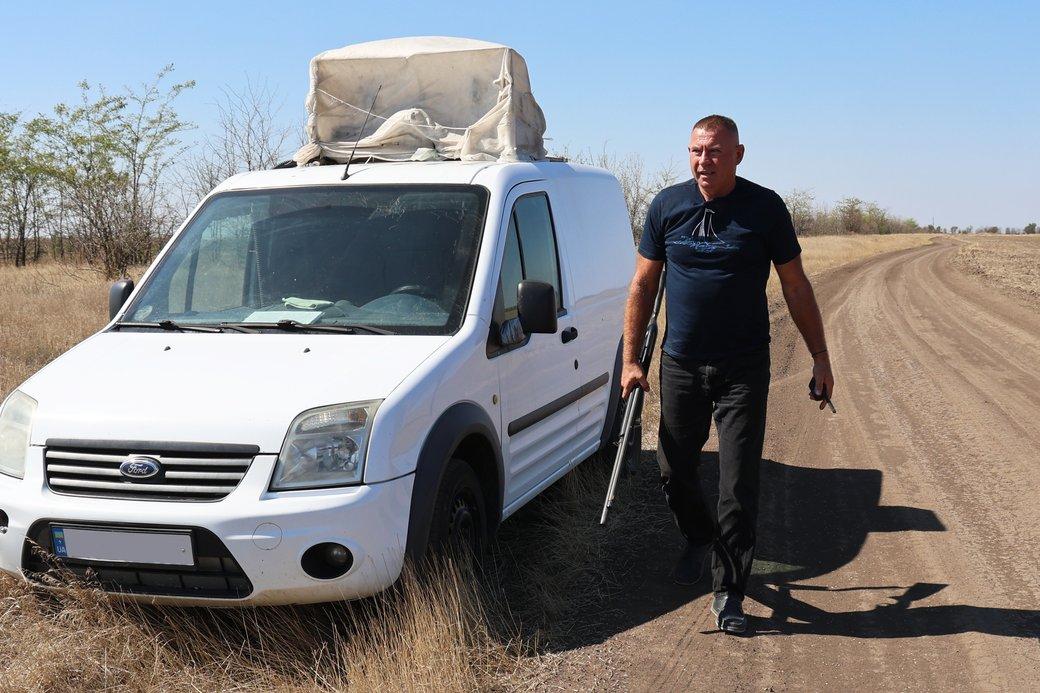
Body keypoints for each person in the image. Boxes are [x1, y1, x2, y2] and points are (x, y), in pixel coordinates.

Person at [621, 115, 834, 635]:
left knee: (738, 483)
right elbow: (643, 287)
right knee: (674, 470)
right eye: (695, 150)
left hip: (743, 367)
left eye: (715, 151)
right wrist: (632, 361)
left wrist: (820, 357)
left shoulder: (764, 209)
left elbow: (796, 286)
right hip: (680, 363)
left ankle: (728, 592)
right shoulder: (667, 206)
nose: (703, 161)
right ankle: (698, 536)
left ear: (738, 155)